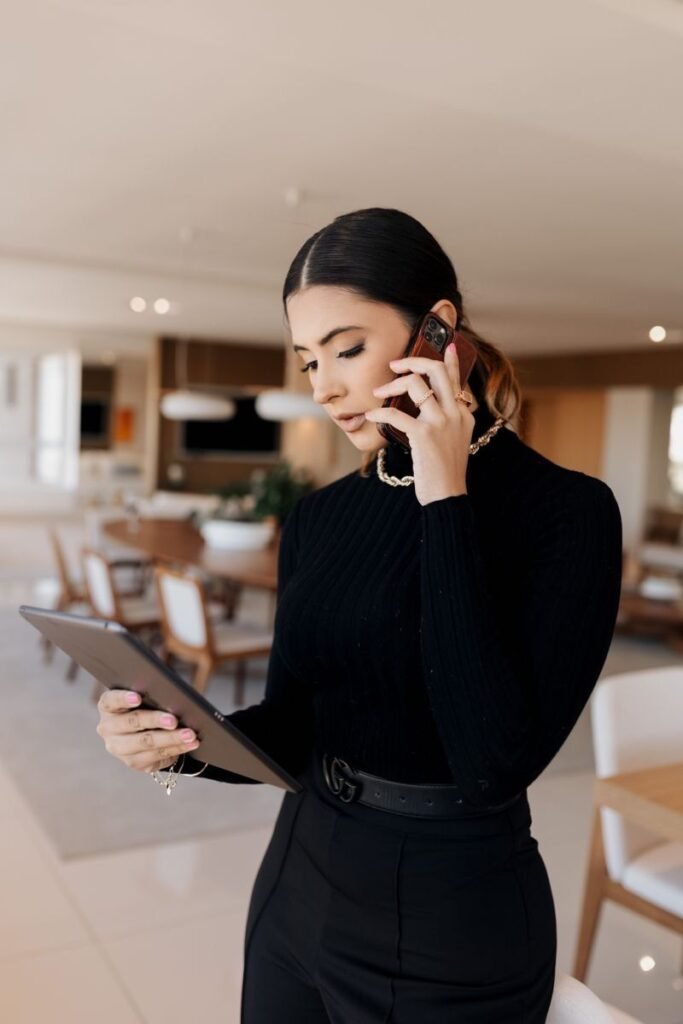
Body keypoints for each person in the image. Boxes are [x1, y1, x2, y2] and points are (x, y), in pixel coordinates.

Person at [96, 207, 623, 1022]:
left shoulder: (568, 515)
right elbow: (295, 721)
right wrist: (178, 744)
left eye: (346, 349)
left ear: (437, 332)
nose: (322, 387)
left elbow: (491, 764)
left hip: (453, 908)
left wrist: (443, 495)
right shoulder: (320, 517)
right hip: (300, 863)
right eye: (307, 360)